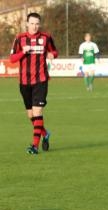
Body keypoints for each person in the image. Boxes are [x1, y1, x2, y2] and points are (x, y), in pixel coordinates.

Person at [9, 12, 58, 155]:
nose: (34, 26)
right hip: (24, 82)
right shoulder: (19, 38)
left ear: (40, 24)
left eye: (37, 23)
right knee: (31, 116)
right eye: (32, 23)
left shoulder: (46, 37)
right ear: (27, 24)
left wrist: (52, 55)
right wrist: (23, 52)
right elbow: (12, 59)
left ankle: (34, 146)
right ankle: (45, 133)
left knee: (37, 113)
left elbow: (55, 51)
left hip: (41, 81)